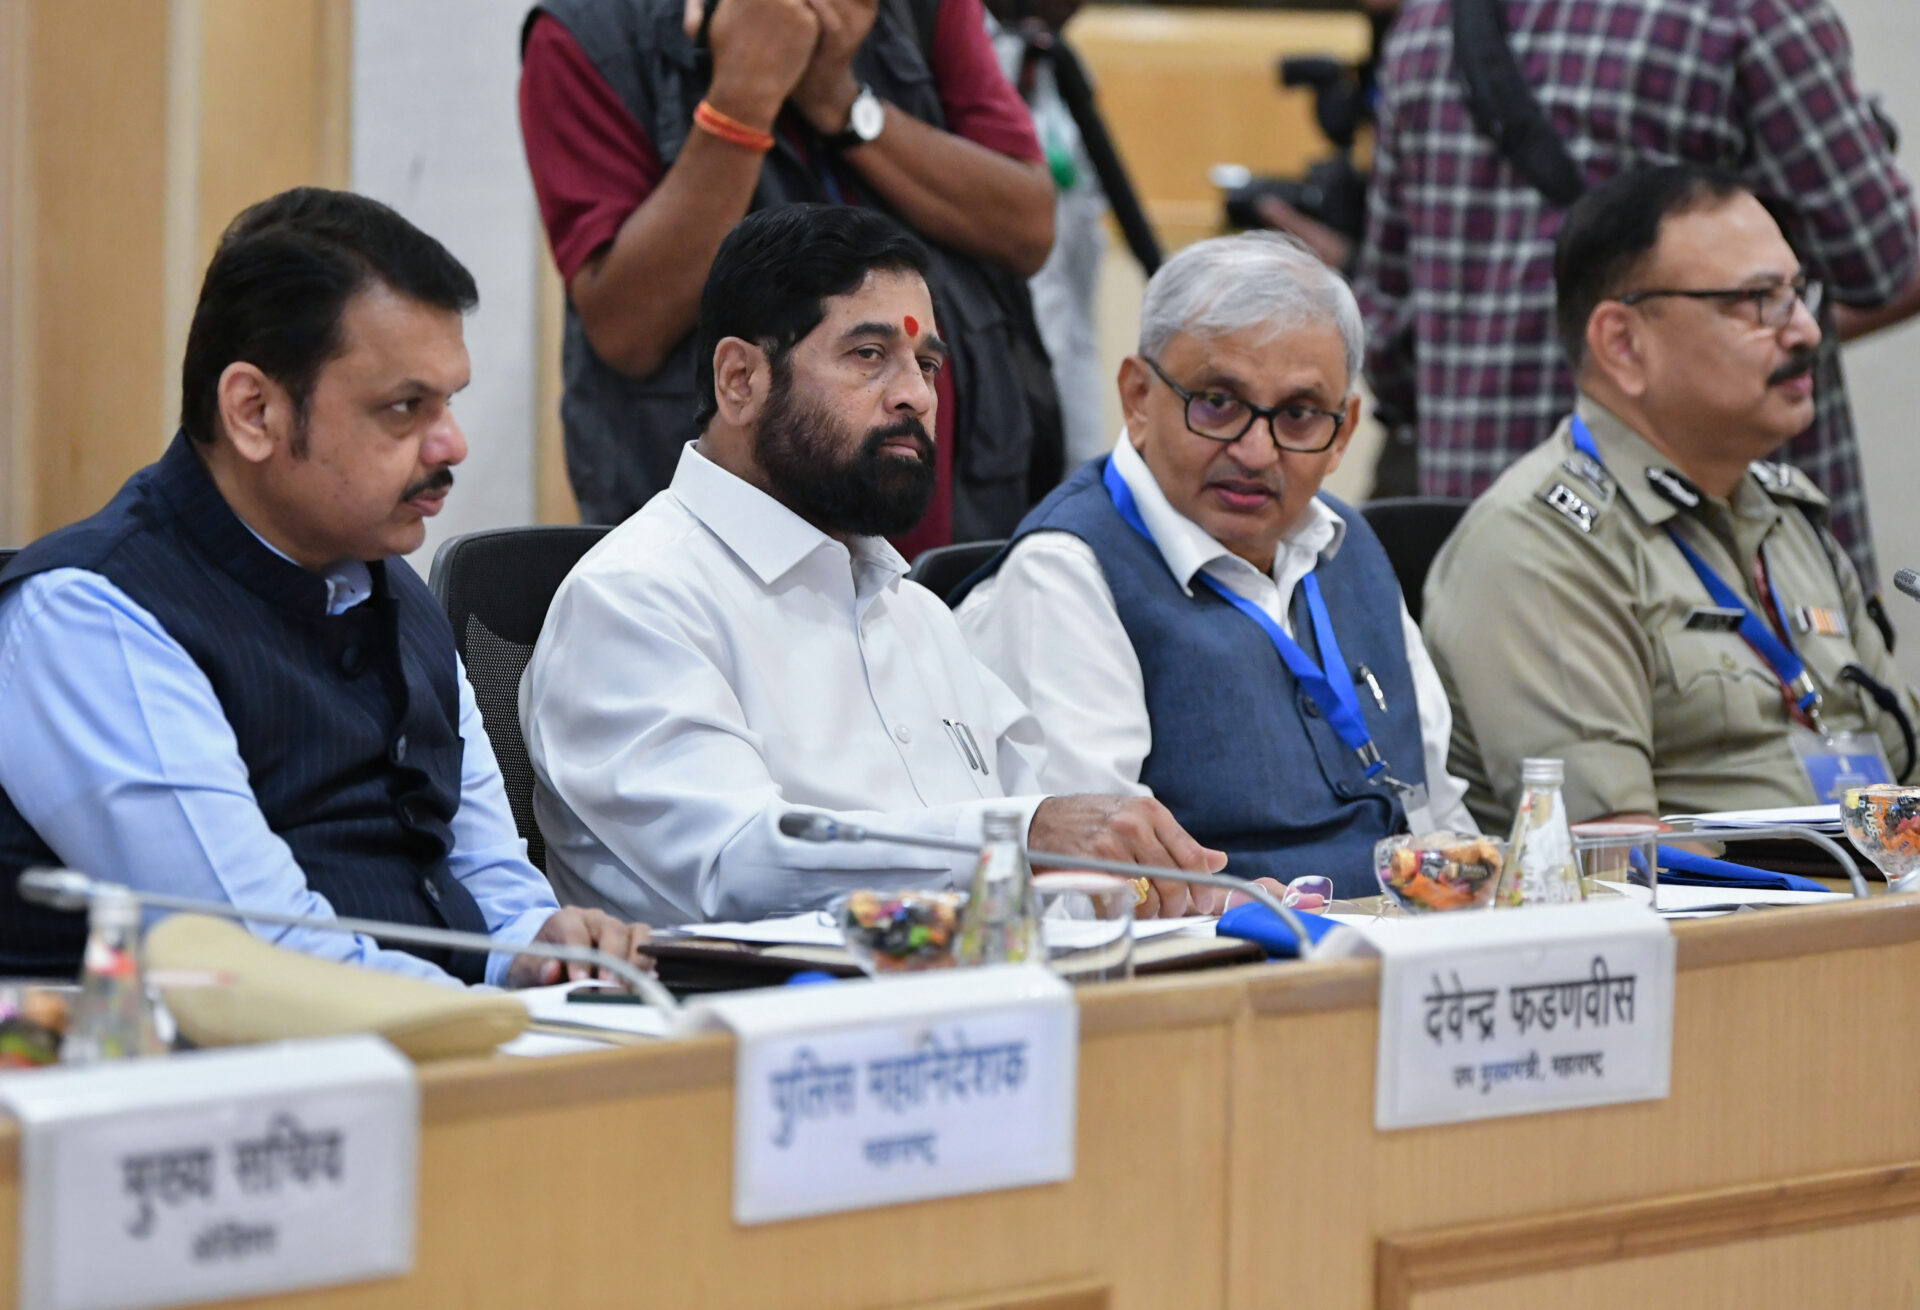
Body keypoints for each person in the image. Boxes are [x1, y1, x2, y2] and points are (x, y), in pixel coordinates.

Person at [0, 188, 649, 987]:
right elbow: (257, 961)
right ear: (255, 412)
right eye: (404, 408)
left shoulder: (395, 589)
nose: (452, 444)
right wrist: (499, 1019)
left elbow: (488, 882)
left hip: (442, 1058)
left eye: (450, 403)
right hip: (228, 1090)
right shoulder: (91, 616)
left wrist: (543, 951)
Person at [522, 204, 1228, 925]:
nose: (917, 396)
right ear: (740, 380)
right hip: (742, 1022)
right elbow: (733, 863)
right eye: (869, 355)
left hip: (973, 1008)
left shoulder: (915, 611)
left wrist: (1184, 899)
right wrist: (1019, 837)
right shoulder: (635, 598)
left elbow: (1057, 861)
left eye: (926, 365)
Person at [954, 233, 1475, 900]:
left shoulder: (1352, 550)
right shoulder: (1066, 577)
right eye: (1219, 404)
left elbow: (1436, 821)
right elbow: (1104, 893)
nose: (1256, 452)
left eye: (1297, 415)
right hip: (1224, 973)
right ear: (1139, 397)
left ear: (1343, 432)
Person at [1355, 0, 1920, 587]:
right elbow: (1879, 263)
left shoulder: (1425, 29)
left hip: (1487, 539)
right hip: (1723, 554)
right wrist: (1746, 319)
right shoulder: (1748, 16)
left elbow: (1390, 335)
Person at [1423, 165, 1920, 831]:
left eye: (1799, 293)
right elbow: (1611, 862)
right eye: (1757, 300)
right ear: (1624, 343)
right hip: (1745, 929)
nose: (1805, 330)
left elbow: (1906, 782)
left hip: (1870, 913)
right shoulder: (1538, 545)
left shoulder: (1791, 522)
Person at [517, 0, 1062, 556]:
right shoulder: (586, 34)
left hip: (957, 528)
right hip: (720, 555)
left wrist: (840, 102)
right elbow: (628, 329)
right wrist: (743, 98)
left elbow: (1028, 225)